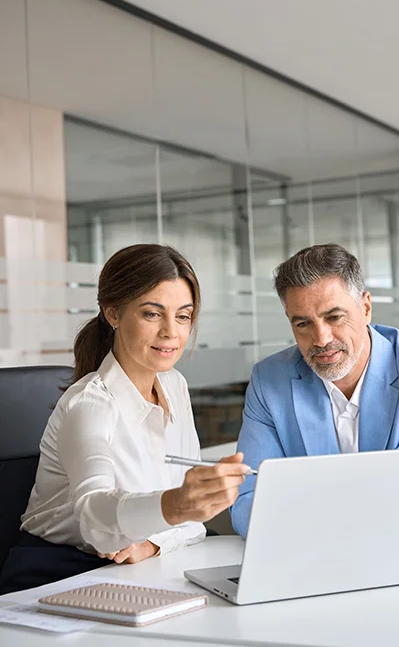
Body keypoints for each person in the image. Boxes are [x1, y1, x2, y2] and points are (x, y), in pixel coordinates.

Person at [0, 244, 249, 594]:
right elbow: (95, 517)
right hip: (53, 574)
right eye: (152, 314)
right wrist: (175, 507)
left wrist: (154, 542)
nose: (171, 333)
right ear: (113, 313)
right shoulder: (89, 404)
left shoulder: (174, 384)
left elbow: (194, 526)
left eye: (183, 316)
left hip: (136, 566)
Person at [231, 243, 399, 542]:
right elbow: (248, 501)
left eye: (334, 317)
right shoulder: (269, 380)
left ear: (366, 308)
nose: (321, 339)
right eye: (303, 323)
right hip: (315, 554)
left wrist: (316, 521)